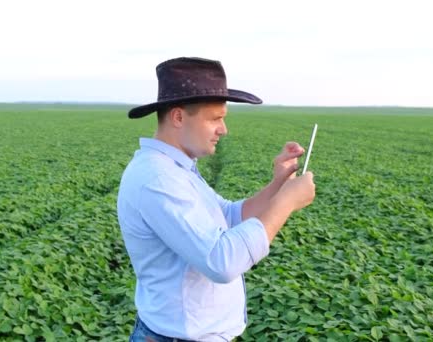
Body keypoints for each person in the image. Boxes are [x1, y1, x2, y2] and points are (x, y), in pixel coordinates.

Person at [117, 57, 315, 341]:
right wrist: (286, 203)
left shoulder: (176, 169)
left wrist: (279, 184)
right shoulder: (158, 180)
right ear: (178, 117)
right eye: (215, 118)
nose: (224, 129)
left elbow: (231, 216)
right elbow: (221, 262)